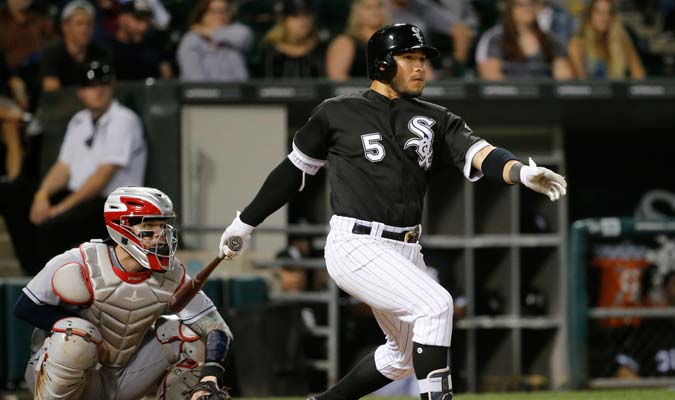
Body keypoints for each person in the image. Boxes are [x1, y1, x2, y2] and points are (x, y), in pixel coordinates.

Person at [218, 23, 567, 400]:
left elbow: (480, 153)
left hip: (406, 248)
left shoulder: (436, 117)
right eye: (409, 58)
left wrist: (521, 171)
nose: (420, 68)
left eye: (422, 60)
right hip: (356, 244)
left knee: (401, 356)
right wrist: (245, 222)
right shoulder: (337, 112)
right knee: (437, 305)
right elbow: (293, 173)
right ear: (383, 65)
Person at [14, 186, 233, 399]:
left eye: (163, 226)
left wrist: (211, 376)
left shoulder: (172, 274)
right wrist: (74, 326)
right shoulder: (79, 262)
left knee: (189, 338)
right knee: (76, 333)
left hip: (122, 377)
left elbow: (217, 329)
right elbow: (24, 307)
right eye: (150, 226)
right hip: (62, 376)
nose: (161, 235)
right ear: (121, 226)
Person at [0, 59, 146, 275]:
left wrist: (59, 209)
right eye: (90, 87)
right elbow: (63, 166)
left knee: (54, 224)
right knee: (13, 194)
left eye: (102, 85)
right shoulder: (79, 120)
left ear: (111, 86)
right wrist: (42, 195)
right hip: (78, 199)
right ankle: (30, 273)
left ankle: (51, 283)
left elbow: (101, 178)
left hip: (111, 207)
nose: (97, 91)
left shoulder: (124, 119)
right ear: (80, 92)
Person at [476, 0, 573, 80]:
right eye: (522, 5)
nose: (528, 9)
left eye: (532, 4)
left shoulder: (549, 40)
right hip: (508, 100)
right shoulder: (494, 39)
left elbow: (564, 76)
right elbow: (491, 77)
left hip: (545, 99)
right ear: (511, 8)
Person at [41, 0, 111, 91]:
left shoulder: (101, 52)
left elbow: (107, 88)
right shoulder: (52, 53)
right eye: (79, 23)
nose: (85, 28)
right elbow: (53, 94)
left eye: (89, 23)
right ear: (65, 26)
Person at [177, 0, 254, 82]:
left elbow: (244, 37)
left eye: (224, 11)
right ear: (203, 14)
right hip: (205, 91)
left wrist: (210, 33)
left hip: (239, 91)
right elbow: (194, 78)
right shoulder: (191, 39)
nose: (220, 15)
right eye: (215, 11)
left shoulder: (237, 31)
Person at [567, 0, 645, 79]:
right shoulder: (577, 43)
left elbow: (639, 74)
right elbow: (582, 82)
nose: (605, 17)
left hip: (616, 89)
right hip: (592, 89)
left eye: (609, 13)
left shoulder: (621, 39)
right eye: (599, 12)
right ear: (590, 15)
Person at [255, 0, 325, 79]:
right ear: (283, 20)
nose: (303, 22)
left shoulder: (320, 48)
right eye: (296, 16)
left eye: (306, 15)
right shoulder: (269, 51)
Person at [325, 0, 389, 81]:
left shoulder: (391, 42)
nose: (375, 11)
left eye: (379, 6)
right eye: (368, 7)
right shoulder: (345, 42)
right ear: (357, 12)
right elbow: (337, 79)